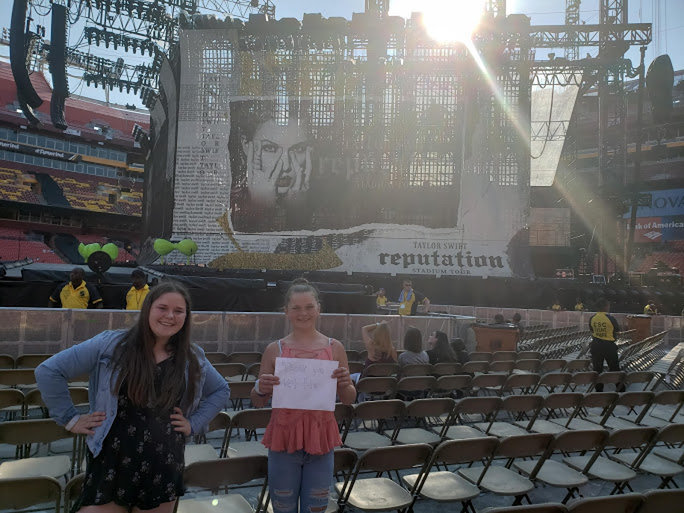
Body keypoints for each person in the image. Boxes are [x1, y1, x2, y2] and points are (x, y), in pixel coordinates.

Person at [35, 281, 230, 512]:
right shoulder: (110, 344)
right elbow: (49, 371)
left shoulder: (192, 356)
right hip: (112, 458)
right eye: (162, 308)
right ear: (148, 309)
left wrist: (194, 423)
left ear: (186, 317)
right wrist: (70, 418)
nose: (170, 316)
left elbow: (221, 390)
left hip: (164, 460)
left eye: (178, 311)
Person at [249, 278, 356, 513]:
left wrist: (345, 383)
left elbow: (348, 399)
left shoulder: (335, 347)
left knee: (315, 510)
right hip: (283, 440)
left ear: (318, 308)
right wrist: (260, 388)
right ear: (286, 311)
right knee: (283, 509)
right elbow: (257, 401)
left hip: (321, 440)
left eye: (309, 307)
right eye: (296, 307)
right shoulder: (274, 349)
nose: (303, 313)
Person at [230, 109, 312, 233]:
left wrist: (298, 213)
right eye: (270, 148)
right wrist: (259, 207)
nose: (286, 167)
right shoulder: (224, 203)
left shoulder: (327, 205)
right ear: (246, 145)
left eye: (298, 149)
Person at [588, 297, 625, 392]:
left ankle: (599, 390)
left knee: (597, 369)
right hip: (609, 346)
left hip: (596, 345)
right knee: (614, 368)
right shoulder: (610, 318)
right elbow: (617, 330)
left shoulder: (592, 318)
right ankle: (620, 389)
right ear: (605, 306)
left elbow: (592, 330)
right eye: (608, 305)